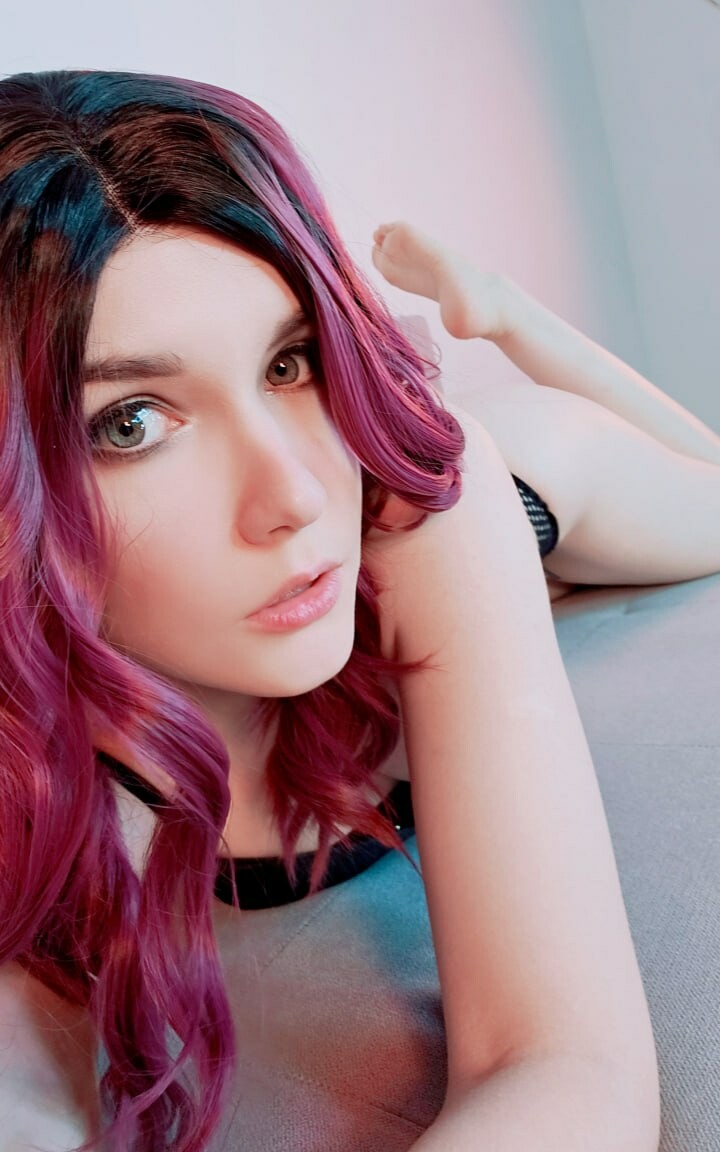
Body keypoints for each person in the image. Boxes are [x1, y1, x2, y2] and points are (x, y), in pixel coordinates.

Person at [0, 68, 717, 1152]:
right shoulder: (40, 740)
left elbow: (565, 1067)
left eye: (291, 361)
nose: (294, 496)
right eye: (132, 421)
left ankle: (508, 316)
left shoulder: (431, 523)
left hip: (531, 480)